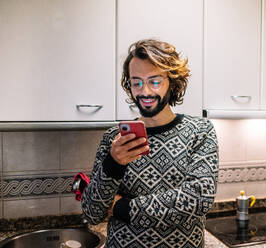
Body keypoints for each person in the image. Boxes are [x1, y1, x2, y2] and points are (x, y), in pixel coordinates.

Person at [81, 39, 219, 248]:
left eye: (154, 81)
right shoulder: (114, 139)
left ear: (172, 82)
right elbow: (92, 213)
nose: (144, 91)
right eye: (136, 82)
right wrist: (113, 163)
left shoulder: (199, 132)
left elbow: (197, 199)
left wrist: (121, 208)